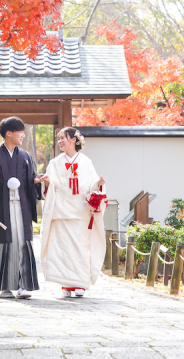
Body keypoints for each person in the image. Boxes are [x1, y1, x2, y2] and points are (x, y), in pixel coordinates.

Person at [0, 117, 47, 299]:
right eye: (20, 132)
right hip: (1, 208)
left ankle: (23, 285)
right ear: (8, 133)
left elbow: (30, 181)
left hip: (22, 207)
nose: (23, 135)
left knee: (22, 243)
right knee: (4, 243)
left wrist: (35, 181)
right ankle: (5, 286)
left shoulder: (25, 157)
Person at [40, 127, 106, 298]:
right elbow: (51, 188)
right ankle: (66, 284)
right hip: (60, 213)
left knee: (80, 248)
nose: (60, 141)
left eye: (63, 138)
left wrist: (98, 185)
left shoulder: (86, 162)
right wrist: (47, 183)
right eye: (59, 138)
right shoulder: (54, 163)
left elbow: (91, 186)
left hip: (80, 213)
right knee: (62, 249)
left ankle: (80, 284)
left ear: (73, 139)